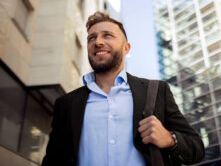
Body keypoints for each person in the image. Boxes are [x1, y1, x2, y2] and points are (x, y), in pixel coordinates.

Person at [42, 11, 204, 166]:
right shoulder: (66, 104)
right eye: (92, 38)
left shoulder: (155, 91)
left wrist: (169, 139)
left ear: (126, 48)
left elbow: (196, 148)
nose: (98, 42)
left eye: (107, 35)